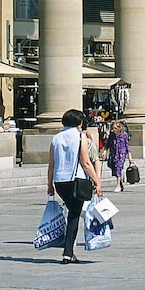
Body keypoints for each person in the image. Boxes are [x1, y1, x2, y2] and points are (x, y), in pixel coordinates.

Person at [47, 108, 102, 264]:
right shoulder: (80, 137)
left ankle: (69, 251)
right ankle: (68, 252)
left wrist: (49, 184)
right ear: (79, 122)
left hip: (59, 181)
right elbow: (85, 162)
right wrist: (97, 180)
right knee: (74, 216)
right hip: (76, 180)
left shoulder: (56, 138)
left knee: (72, 213)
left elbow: (51, 164)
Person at [106, 120, 132, 192]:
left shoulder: (124, 135)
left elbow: (127, 145)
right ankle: (120, 182)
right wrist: (105, 151)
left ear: (119, 128)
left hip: (121, 154)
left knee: (118, 167)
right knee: (113, 167)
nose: (113, 130)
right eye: (113, 128)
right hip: (113, 153)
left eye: (115, 128)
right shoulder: (112, 135)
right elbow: (108, 143)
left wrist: (129, 155)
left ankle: (118, 185)